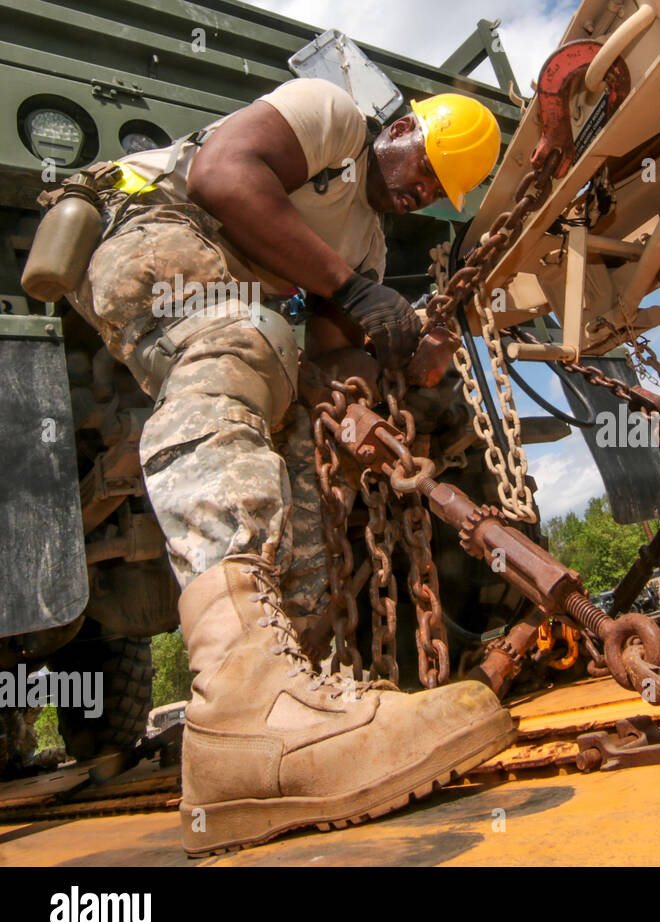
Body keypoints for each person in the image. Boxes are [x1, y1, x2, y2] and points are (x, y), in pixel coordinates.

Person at [64, 78, 515, 854]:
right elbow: (223, 176)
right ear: (400, 129)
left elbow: (341, 365)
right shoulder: (332, 117)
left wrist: (403, 361)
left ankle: (291, 712)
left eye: (441, 191)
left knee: (312, 444)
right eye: (426, 165)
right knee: (239, 339)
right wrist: (351, 292)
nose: (422, 191)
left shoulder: (365, 244)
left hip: (250, 298)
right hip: (149, 224)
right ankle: (240, 695)